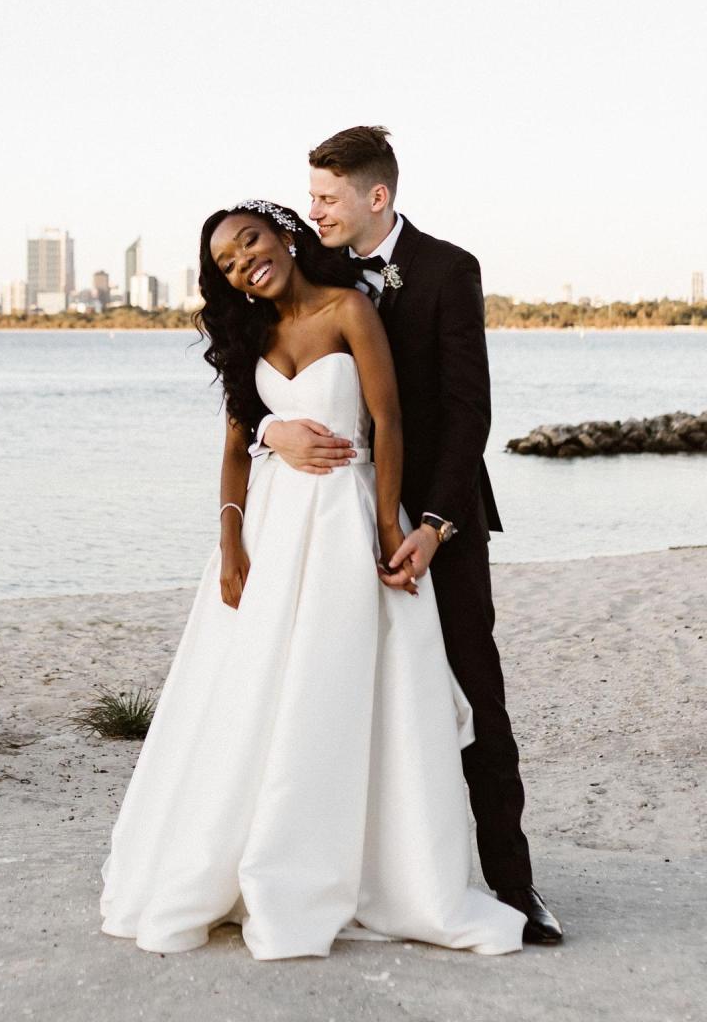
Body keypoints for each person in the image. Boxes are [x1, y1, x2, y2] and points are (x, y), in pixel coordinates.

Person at [99, 199, 525, 960]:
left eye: (250, 243)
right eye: (226, 263)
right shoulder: (248, 334)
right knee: (252, 693)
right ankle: (248, 855)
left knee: (343, 687)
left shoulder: (350, 309)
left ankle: (364, 866)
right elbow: (235, 447)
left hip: (346, 519)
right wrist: (230, 542)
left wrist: (390, 526)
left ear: (285, 234)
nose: (243, 264)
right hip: (269, 532)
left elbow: (388, 421)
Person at [254, 128, 564, 945]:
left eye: (326, 198)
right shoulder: (311, 268)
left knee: (473, 694)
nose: (312, 211)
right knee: (332, 695)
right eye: (312, 196)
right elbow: (260, 371)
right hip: (333, 524)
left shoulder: (447, 270)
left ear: (376, 197)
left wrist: (432, 524)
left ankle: (514, 884)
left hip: (439, 522)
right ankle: (358, 876)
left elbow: (470, 412)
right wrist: (271, 434)